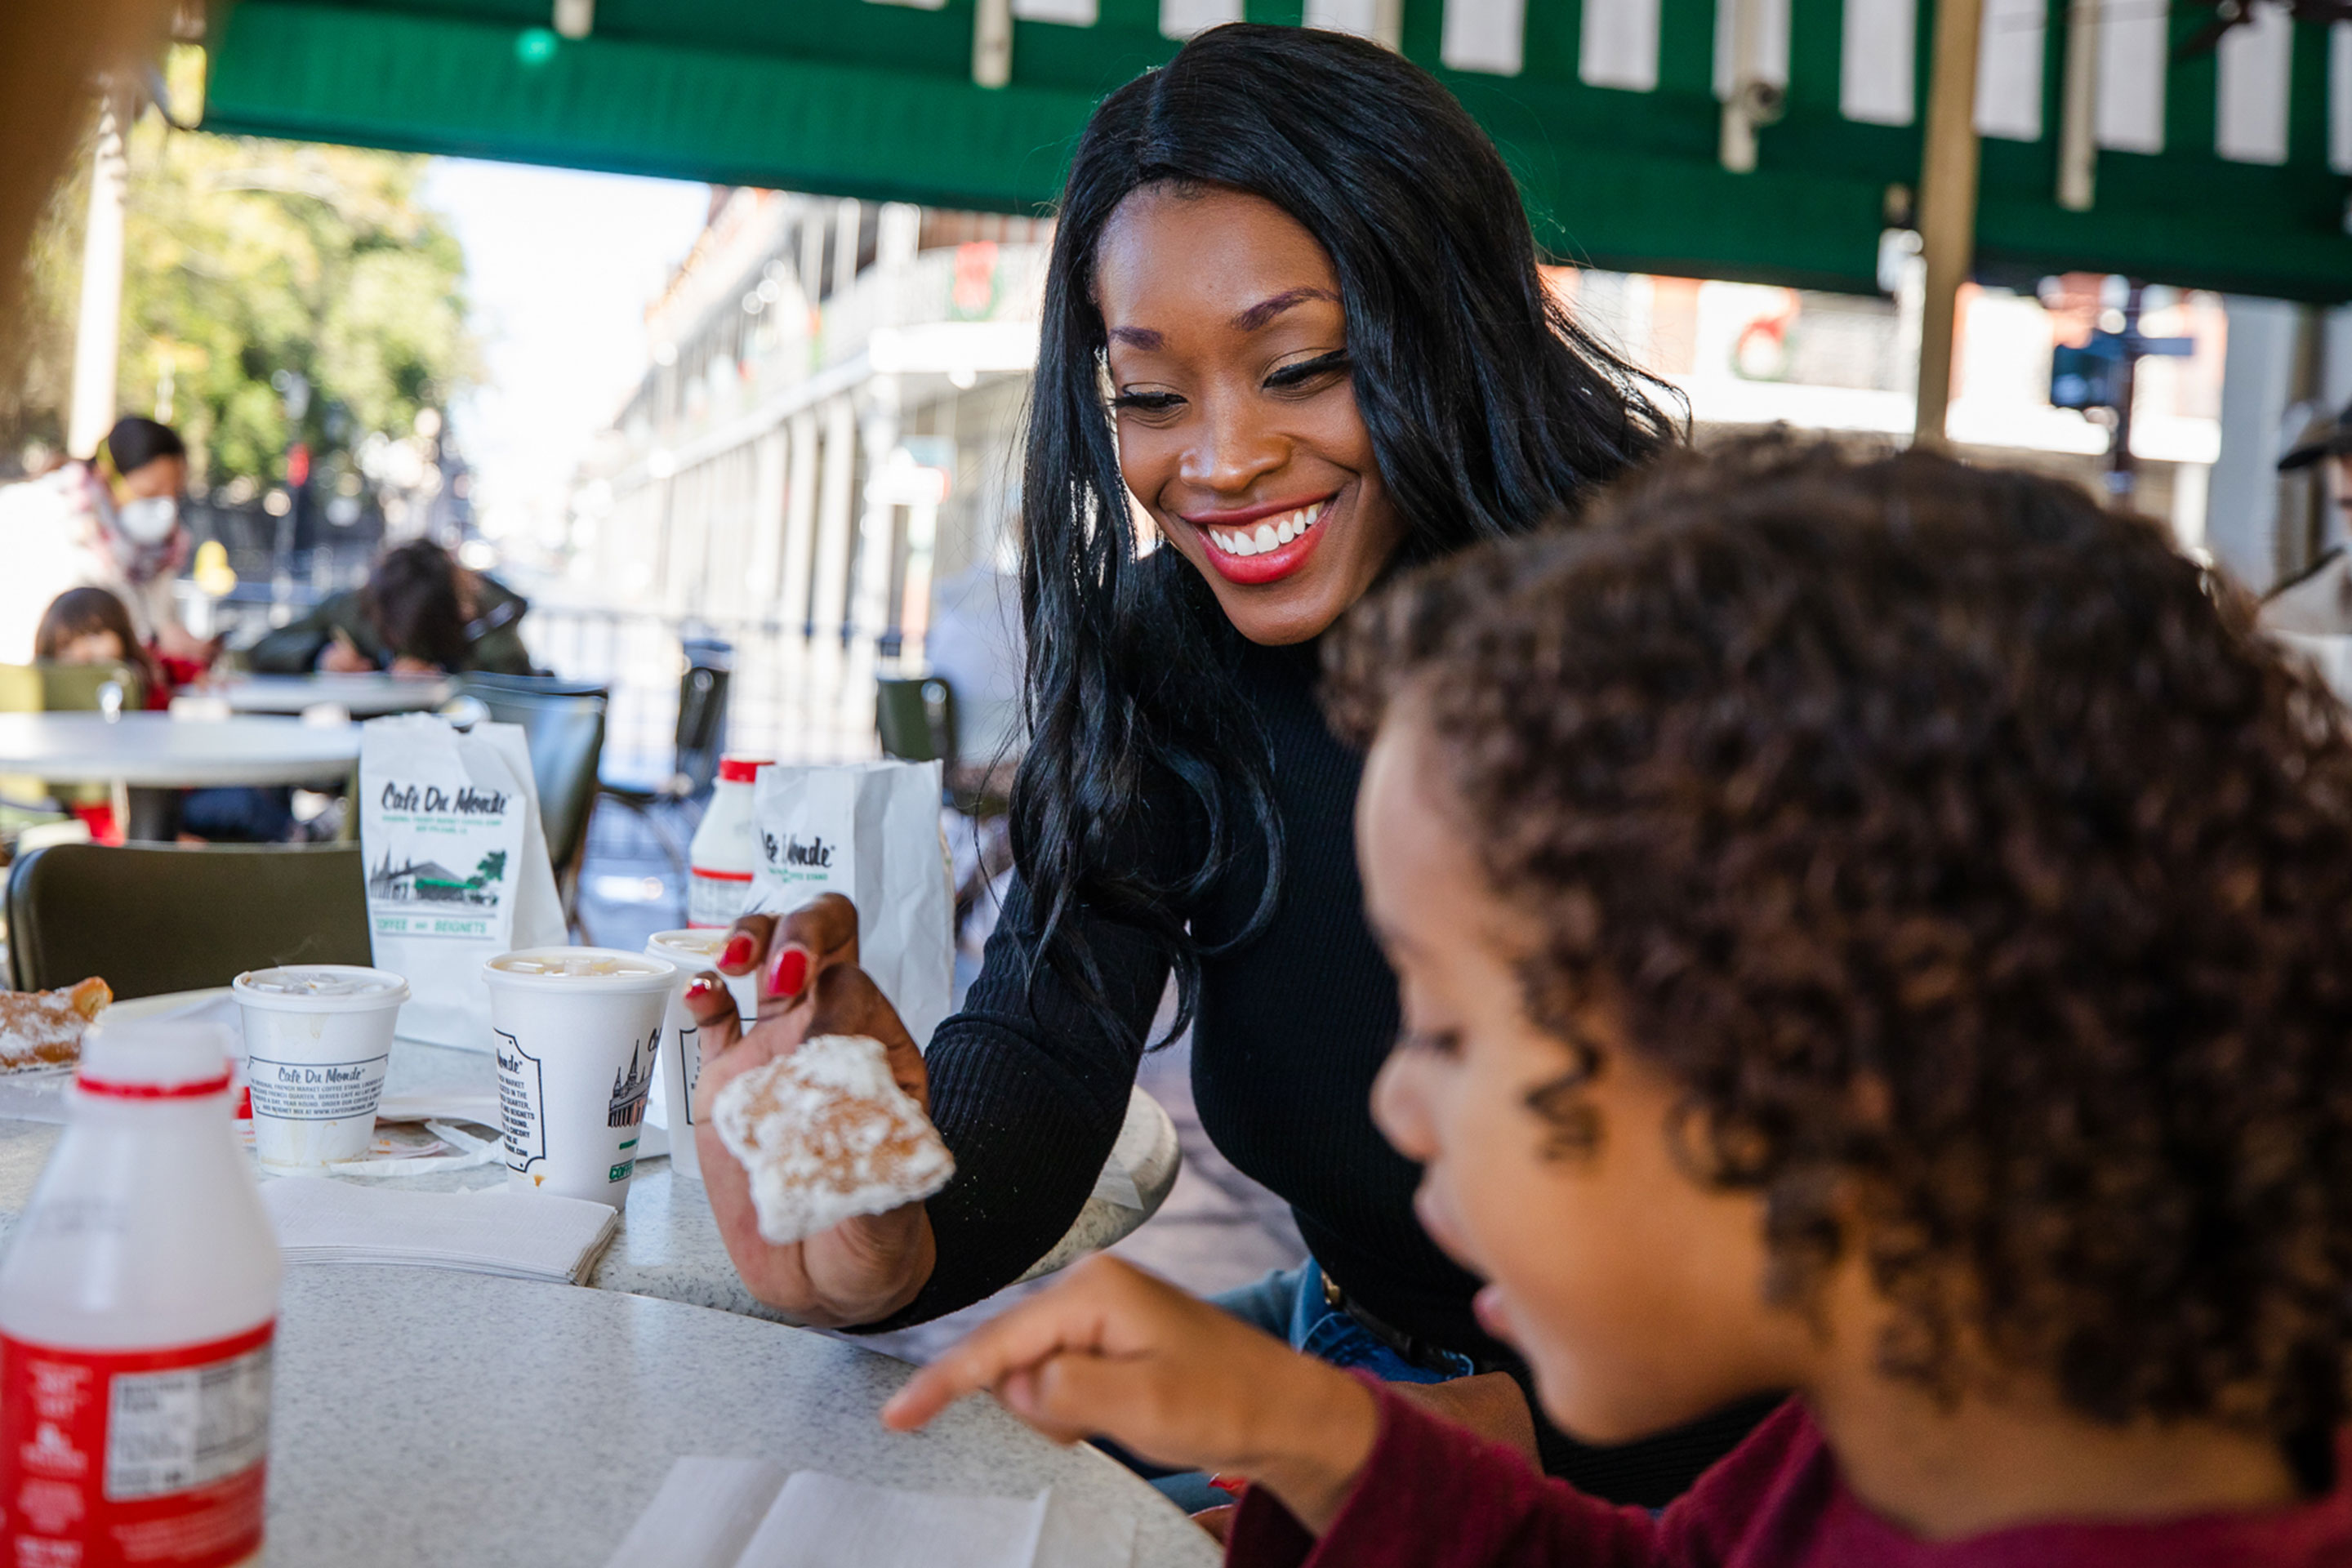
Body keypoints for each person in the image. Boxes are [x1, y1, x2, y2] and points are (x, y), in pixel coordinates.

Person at [881, 439, 2352, 1566]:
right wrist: (1314, 1430)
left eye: (1453, 1031)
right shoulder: (1914, 1418)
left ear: (1817, 1066)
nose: (1394, 1097)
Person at [687, 20, 1740, 1511]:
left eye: (1301, 366)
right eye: (1154, 397)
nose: (1223, 462)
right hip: (1364, 1353)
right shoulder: (1172, 642)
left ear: (1454, 319)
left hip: (1698, 1473)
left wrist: (1515, 1458)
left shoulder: (1702, 642)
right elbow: (1047, 1044)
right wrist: (888, 1226)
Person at [0, 416, 213, 670]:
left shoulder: (159, 552)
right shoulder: (39, 514)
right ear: (107, 475)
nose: (165, 506)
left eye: (174, 492)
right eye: (151, 491)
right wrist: (153, 642)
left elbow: (160, 629)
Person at [247, 538, 534, 677]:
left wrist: (445, 676)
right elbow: (262, 649)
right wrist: (318, 656)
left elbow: (517, 689)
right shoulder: (356, 609)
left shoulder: (490, 616)